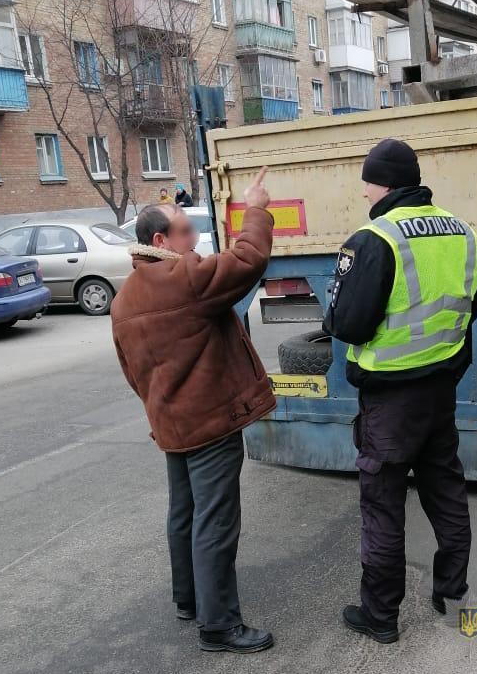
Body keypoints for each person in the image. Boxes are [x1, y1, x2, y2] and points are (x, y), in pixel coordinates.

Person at [111, 168, 276, 654]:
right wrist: (256, 208)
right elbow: (248, 259)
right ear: (160, 239)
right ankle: (219, 625)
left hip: (173, 426)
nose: (197, 237)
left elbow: (131, 371)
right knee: (216, 522)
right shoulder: (182, 277)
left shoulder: (125, 298)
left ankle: (190, 601)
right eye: (187, 230)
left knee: (184, 514)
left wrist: (163, 412)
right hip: (208, 424)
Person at [323, 139, 477, 644]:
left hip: (390, 400)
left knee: (383, 506)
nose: (363, 190)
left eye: (367, 181)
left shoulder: (375, 238)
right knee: (446, 490)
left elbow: (347, 324)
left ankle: (380, 616)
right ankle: (452, 591)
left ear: (384, 184)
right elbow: (470, 306)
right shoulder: (462, 231)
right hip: (440, 387)